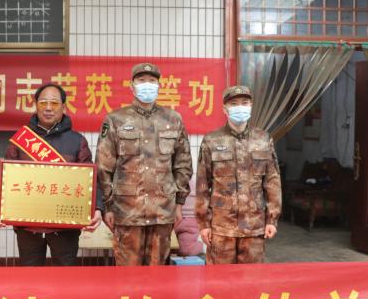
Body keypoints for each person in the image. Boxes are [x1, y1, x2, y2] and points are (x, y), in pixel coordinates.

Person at [0, 83, 103, 266]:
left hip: (65, 227)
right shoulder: (21, 139)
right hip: (28, 226)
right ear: (36, 105)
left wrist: (97, 207)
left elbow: (90, 179)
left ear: (64, 107)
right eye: (43, 103)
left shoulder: (77, 141)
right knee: (30, 275)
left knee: (65, 274)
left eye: (54, 103)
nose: (48, 108)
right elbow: (4, 176)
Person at [96, 62, 193, 266]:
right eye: (141, 80)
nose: (147, 85)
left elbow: (183, 164)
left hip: (163, 211)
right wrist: (108, 206)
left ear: (159, 85)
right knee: (128, 274)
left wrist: (179, 204)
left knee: (158, 275)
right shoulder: (115, 120)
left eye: (151, 81)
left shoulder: (173, 119)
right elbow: (104, 167)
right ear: (132, 86)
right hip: (127, 212)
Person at [195, 85, 282, 264]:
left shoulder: (263, 139)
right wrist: (203, 224)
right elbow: (202, 185)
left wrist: (272, 219)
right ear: (224, 109)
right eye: (234, 104)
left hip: (254, 227)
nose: (239, 107)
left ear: (251, 106)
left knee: (251, 278)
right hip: (221, 229)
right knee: (219, 279)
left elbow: (272, 181)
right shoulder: (212, 140)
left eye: (244, 103)